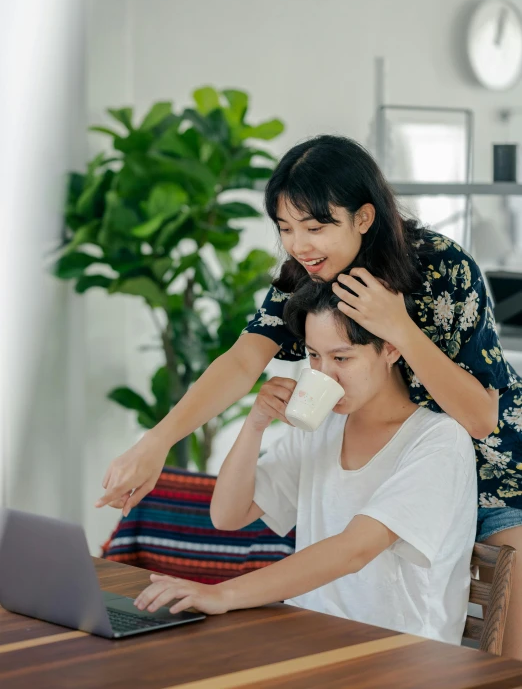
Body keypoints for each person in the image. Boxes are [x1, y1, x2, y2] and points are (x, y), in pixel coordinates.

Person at [98, 135, 522, 657]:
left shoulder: (440, 269)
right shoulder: (307, 277)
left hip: (488, 464)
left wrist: (400, 327)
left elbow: (480, 419)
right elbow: (240, 361)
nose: (299, 244)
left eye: (315, 227)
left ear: (363, 218)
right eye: (286, 228)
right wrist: (156, 442)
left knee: (506, 641)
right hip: (385, 445)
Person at [133, 278, 477, 645]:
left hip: (402, 658)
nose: (324, 374)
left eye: (341, 357)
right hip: (310, 639)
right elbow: (228, 515)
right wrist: (255, 425)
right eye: (314, 356)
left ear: (390, 348)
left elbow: (354, 550)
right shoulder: (322, 424)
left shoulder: (439, 441)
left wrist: (223, 594)